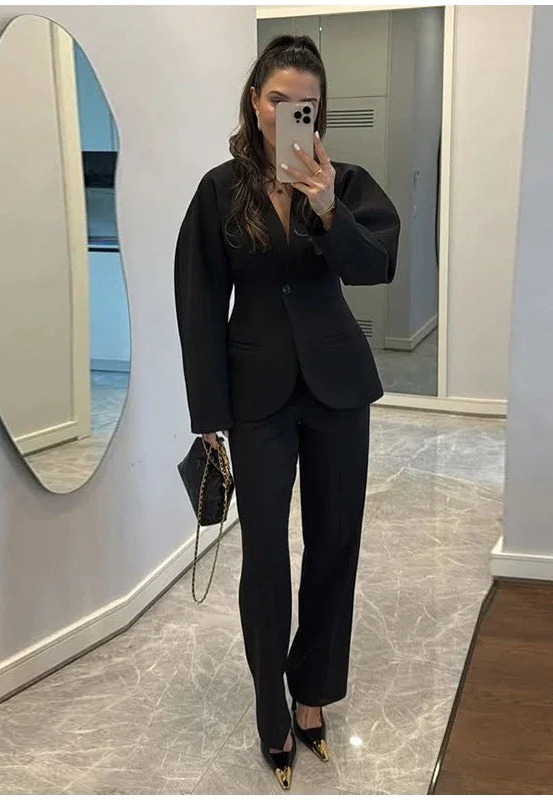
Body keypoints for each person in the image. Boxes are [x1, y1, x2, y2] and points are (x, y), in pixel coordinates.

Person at [174, 34, 400, 791]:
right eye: (277, 99)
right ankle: (270, 708)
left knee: (335, 545)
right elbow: (199, 302)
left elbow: (376, 267)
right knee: (265, 556)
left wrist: (327, 205)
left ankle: (312, 695)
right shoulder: (219, 191)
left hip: (337, 388)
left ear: (319, 109)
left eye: (305, 103)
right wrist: (208, 413)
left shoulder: (347, 182)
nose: (289, 113)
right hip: (257, 395)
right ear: (254, 100)